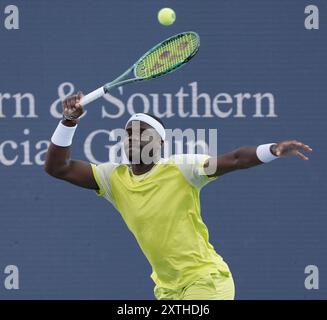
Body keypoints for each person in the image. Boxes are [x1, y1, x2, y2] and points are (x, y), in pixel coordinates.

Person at [45, 92, 312, 300]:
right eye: (128, 134)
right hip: (167, 290)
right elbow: (58, 167)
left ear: (159, 144)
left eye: (142, 134)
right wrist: (69, 121)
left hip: (206, 281)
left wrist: (273, 150)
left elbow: (235, 159)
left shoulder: (182, 169)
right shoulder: (113, 179)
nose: (133, 139)